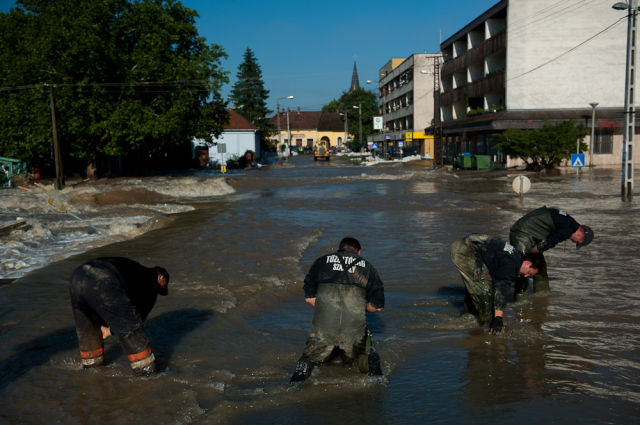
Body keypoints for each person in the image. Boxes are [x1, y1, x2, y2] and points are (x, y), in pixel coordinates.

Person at [290, 237, 385, 383]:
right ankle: (369, 362)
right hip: (352, 328)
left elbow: (309, 298)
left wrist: (325, 305)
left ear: (339, 249)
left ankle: (302, 369)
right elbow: (377, 305)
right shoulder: (368, 267)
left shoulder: (321, 261)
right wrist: (361, 307)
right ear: (358, 251)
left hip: (325, 325)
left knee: (312, 356)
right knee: (356, 358)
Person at [69, 257, 169, 375]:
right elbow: (137, 316)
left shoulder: (132, 266)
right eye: (162, 287)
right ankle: (147, 374)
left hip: (77, 276)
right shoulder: (151, 282)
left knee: (91, 361)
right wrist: (110, 331)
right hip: (101, 279)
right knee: (133, 330)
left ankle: (91, 369)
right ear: (160, 277)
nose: (158, 292)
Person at [450, 234, 543, 334]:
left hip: (472, 244)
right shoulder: (511, 265)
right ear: (527, 263)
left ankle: (469, 316)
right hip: (464, 251)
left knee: (483, 286)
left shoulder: (517, 255)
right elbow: (502, 290)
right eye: (528, 273)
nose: (525, 276)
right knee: (485, 294)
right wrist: (498, 318)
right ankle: (484, 329)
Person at [510, 206, 593, 293]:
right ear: (581, 236)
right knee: (523, 271)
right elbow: (547, 243)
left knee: (539, 269)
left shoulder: (570, 222)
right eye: (577, 242)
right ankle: (520, 304)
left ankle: (542, 298)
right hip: (522, 233)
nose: (574, 242)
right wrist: (531, 253)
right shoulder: (567, 229)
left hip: (532, 235)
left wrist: (535, 255)